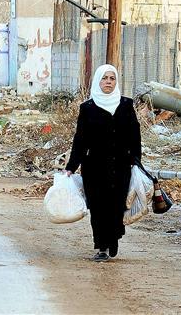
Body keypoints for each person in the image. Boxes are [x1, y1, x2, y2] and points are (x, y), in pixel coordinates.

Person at [65, 64, 141, 262]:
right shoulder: (88, 108)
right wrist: (72, 166)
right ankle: (101, 247)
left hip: (121, 166)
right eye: (104, 78)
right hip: (95, 166)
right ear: (98, 81)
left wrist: (136, 160)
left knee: (116, 206)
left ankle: (113, 238)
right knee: (98, 208)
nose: (108, 82)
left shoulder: (126, 105)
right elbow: (80, 139)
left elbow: (135, 134)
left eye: (112, 78)